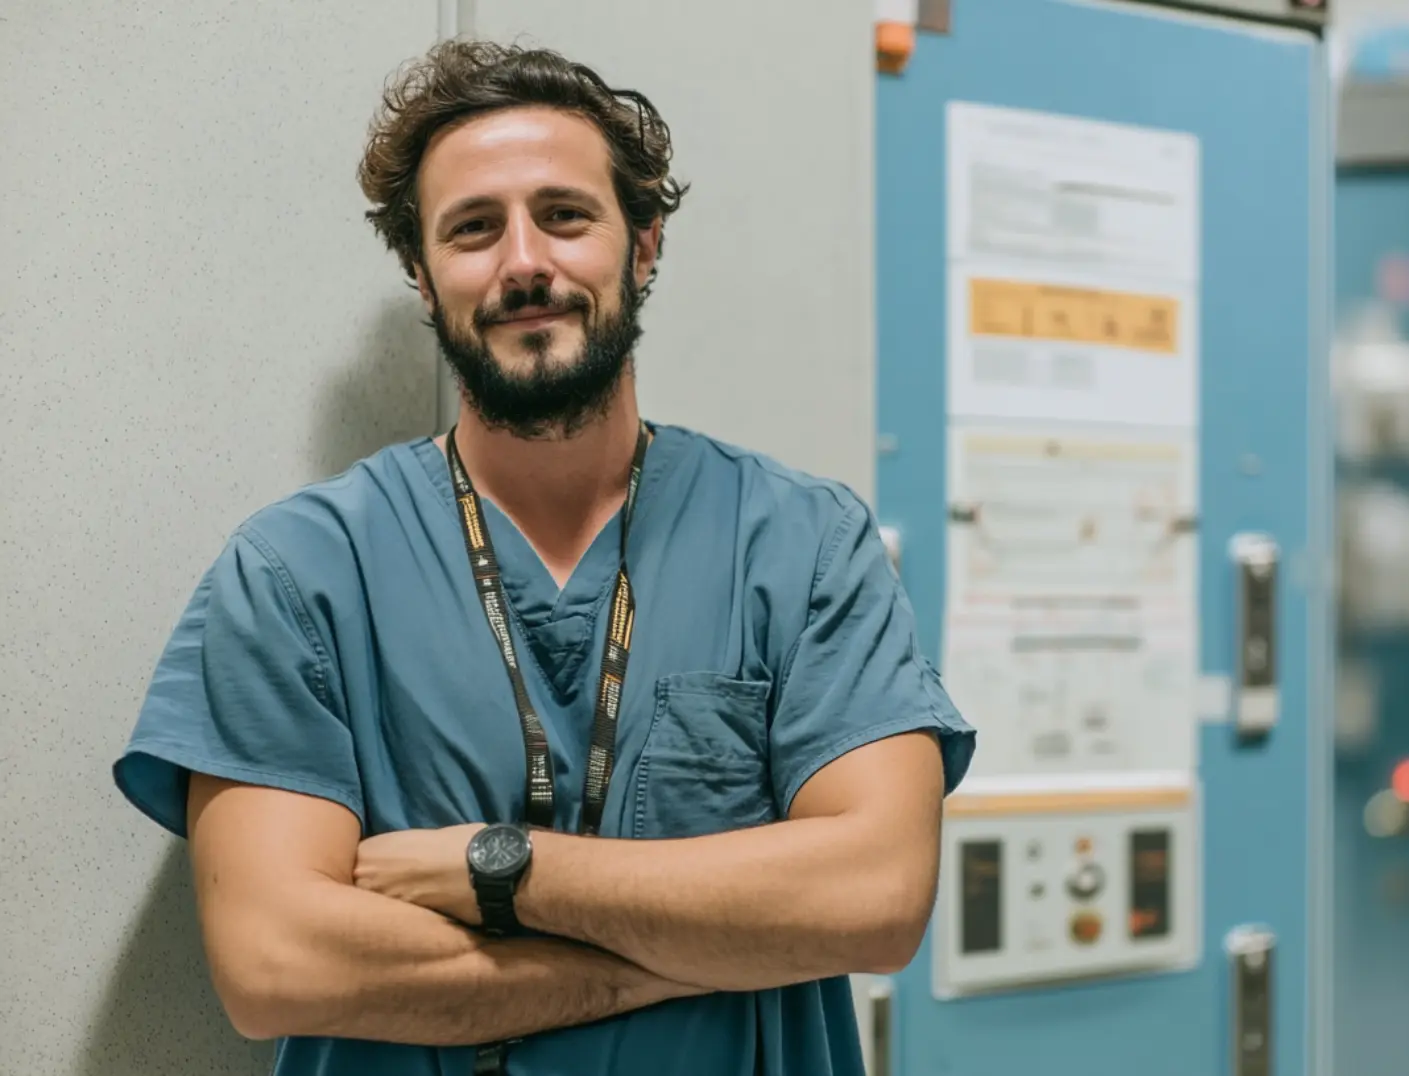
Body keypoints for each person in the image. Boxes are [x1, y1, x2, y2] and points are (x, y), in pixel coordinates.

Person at [112, 38, 974, 1076]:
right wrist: (684, 953)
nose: (525, 261)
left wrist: (500, 869)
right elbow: (276, 963)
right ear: (423, 279)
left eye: (565, 215)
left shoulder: (801, 546)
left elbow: (874, 899)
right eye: (474, 229)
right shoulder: (299, 575)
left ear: (642, 245)